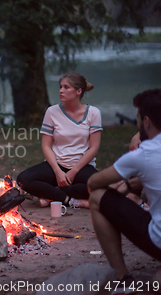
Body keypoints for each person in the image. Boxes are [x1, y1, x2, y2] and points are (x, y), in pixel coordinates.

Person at [88, 89, 161, 290]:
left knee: (97, 197)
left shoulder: (144, 154)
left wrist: (120, 186)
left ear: (146, 121)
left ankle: (122, 279)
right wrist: (131, 184)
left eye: (138, 120)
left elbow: (94, 183)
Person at [17, 72, 102, 208]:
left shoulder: (93, 113)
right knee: (23, 179)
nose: (61, 91)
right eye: (60, 87)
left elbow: (94, 148)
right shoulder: (52, 112)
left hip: (81, 167)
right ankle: (70, 200)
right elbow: (46, 146)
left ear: (78, 91)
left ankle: (50, 195)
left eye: (66, 87)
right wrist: (58, 172)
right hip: (56, 165)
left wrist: (73, 172)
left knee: (100, 187)